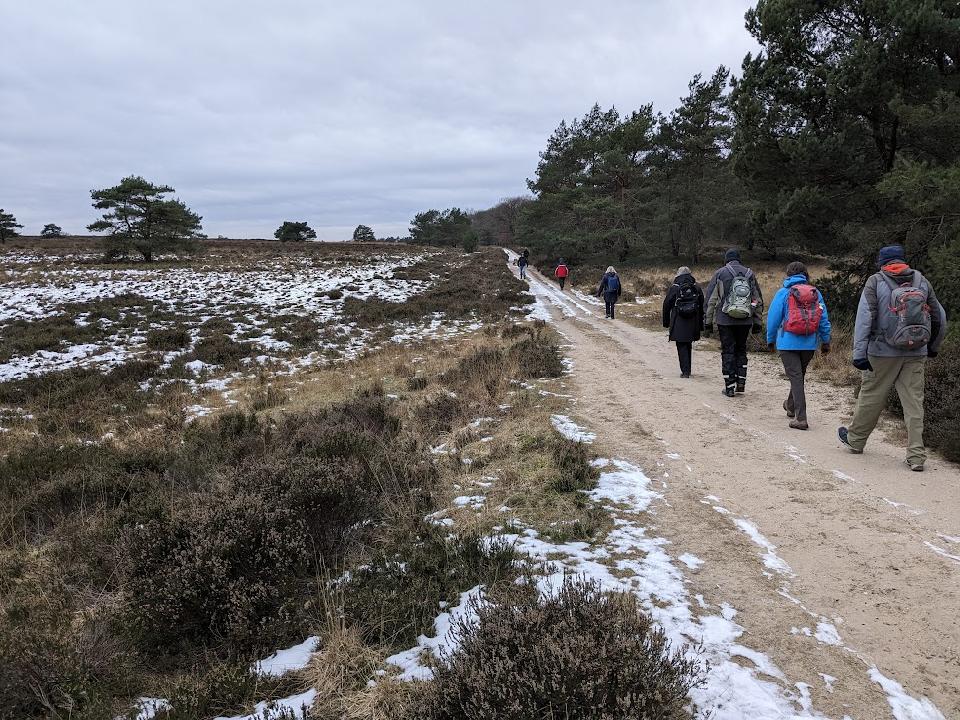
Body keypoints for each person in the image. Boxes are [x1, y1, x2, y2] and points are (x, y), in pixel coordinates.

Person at [838, 245, 947, 471]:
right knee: (914, 403)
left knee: (871, 396)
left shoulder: (875, 282)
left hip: (881, 352)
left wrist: (859, 354)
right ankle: (916, 456)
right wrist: (933, 347)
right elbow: (939, 317)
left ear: (883, 262)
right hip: (916, 351)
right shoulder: (921, 280)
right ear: (902, 260)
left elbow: (864, 319)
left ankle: (856, 440)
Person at [766, 261, 832, 430]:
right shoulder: (815, 293)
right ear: (805, 275)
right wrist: (825, 341)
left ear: (788, 274)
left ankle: (801, 418)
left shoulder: (783, 293)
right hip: (809, 343)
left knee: (796, 377)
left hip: (787, 343)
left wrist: (770, 339)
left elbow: (773, 318)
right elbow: (823, 319)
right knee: (798, 376)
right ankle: (790, 405)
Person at [704, 248, 765, 397]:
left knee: (728, 351)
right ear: (739, 259)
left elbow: (711, 300)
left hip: (725, 319)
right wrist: (757, 321)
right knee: (741, 350)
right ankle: (741, 382)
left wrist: (707, 322)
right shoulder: (749, 274)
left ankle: (729, 386)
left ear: (726, 259)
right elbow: (757, 299)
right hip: (745, 320)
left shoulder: (720, 273)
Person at [662, 266, 705, 378]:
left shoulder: (675, 287)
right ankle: (688, 369)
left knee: (681, 345)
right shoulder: (696, 287)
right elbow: (702, 306)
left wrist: (666, 322)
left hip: (678, 320)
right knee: (688, 344)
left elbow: (666, 305)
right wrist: (701, 324)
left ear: (678, 274)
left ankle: (685, 371)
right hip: (693, 320)